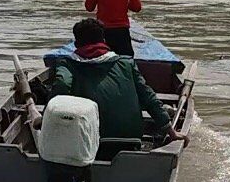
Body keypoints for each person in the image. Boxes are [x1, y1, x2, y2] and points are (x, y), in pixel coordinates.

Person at [51, 18, 182, 145]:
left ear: (76, 45)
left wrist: (48, 117)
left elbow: (62, 85)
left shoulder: (67, 64)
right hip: (130, 136)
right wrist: (171, 131)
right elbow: (148, 97)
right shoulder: (127, 63)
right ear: (104, 41)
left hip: (85, 138)